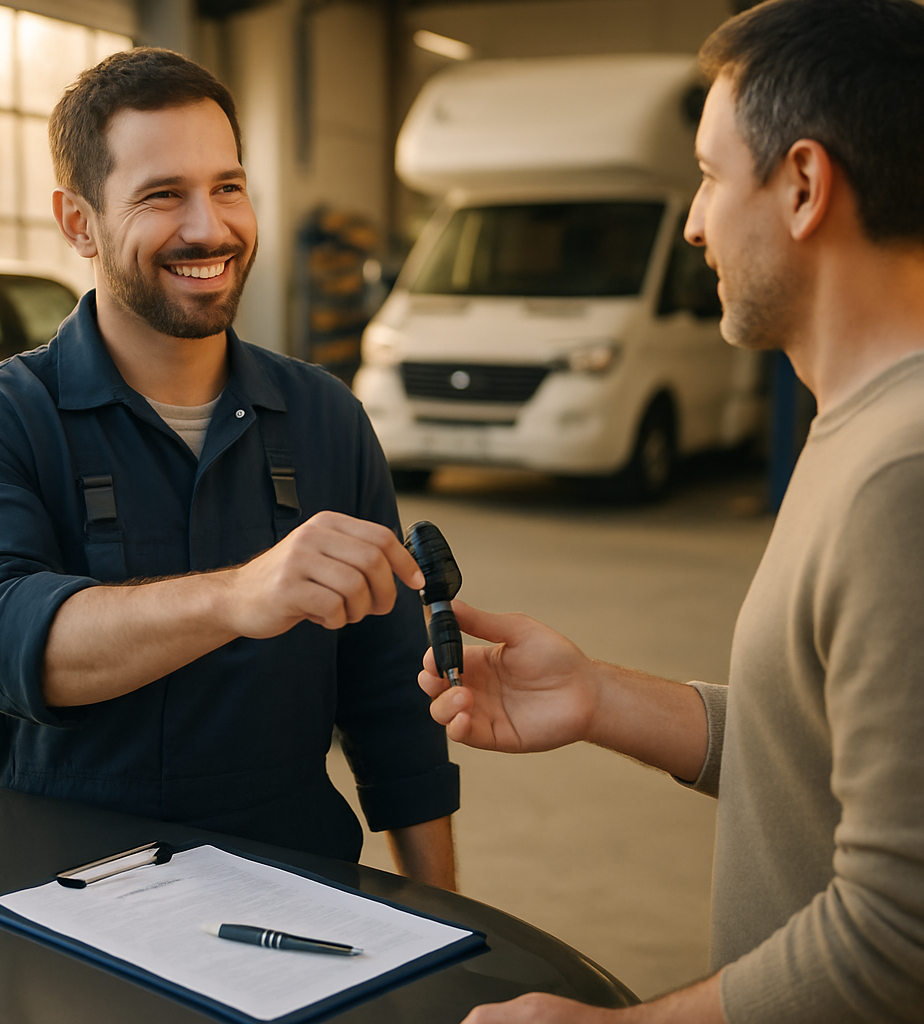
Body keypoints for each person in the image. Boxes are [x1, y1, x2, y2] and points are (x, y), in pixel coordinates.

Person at [420, 0, 924, 1018]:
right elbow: (819, 760)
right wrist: (595, 696)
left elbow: (895, 932)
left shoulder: (899, 476)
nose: (694, 222)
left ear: (803, 185)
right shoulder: (858, 433)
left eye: (705, 175)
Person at [0, 47, 457, 888]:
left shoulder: (326, 420)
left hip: (298, 884)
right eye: (162, 195)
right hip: (69, 899)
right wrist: (236, 596)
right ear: (78, 222)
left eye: (228, 186)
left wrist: (444, 917)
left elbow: (391, 701)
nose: (209, 228)